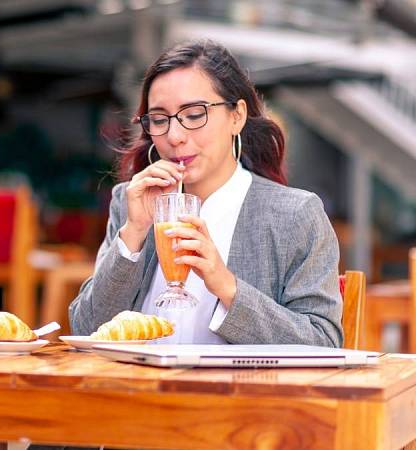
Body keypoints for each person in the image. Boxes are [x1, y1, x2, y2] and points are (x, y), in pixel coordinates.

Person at [69, 40, 343, 347]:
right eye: (159, 120)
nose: (174, 136)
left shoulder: (294, 215)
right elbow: (86, 328)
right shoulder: (131, 202)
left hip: (239, 394)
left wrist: (227, 287)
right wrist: (133, 233)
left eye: (194, 114)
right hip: (139, 391)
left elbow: (324, 343)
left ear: (237, 116)